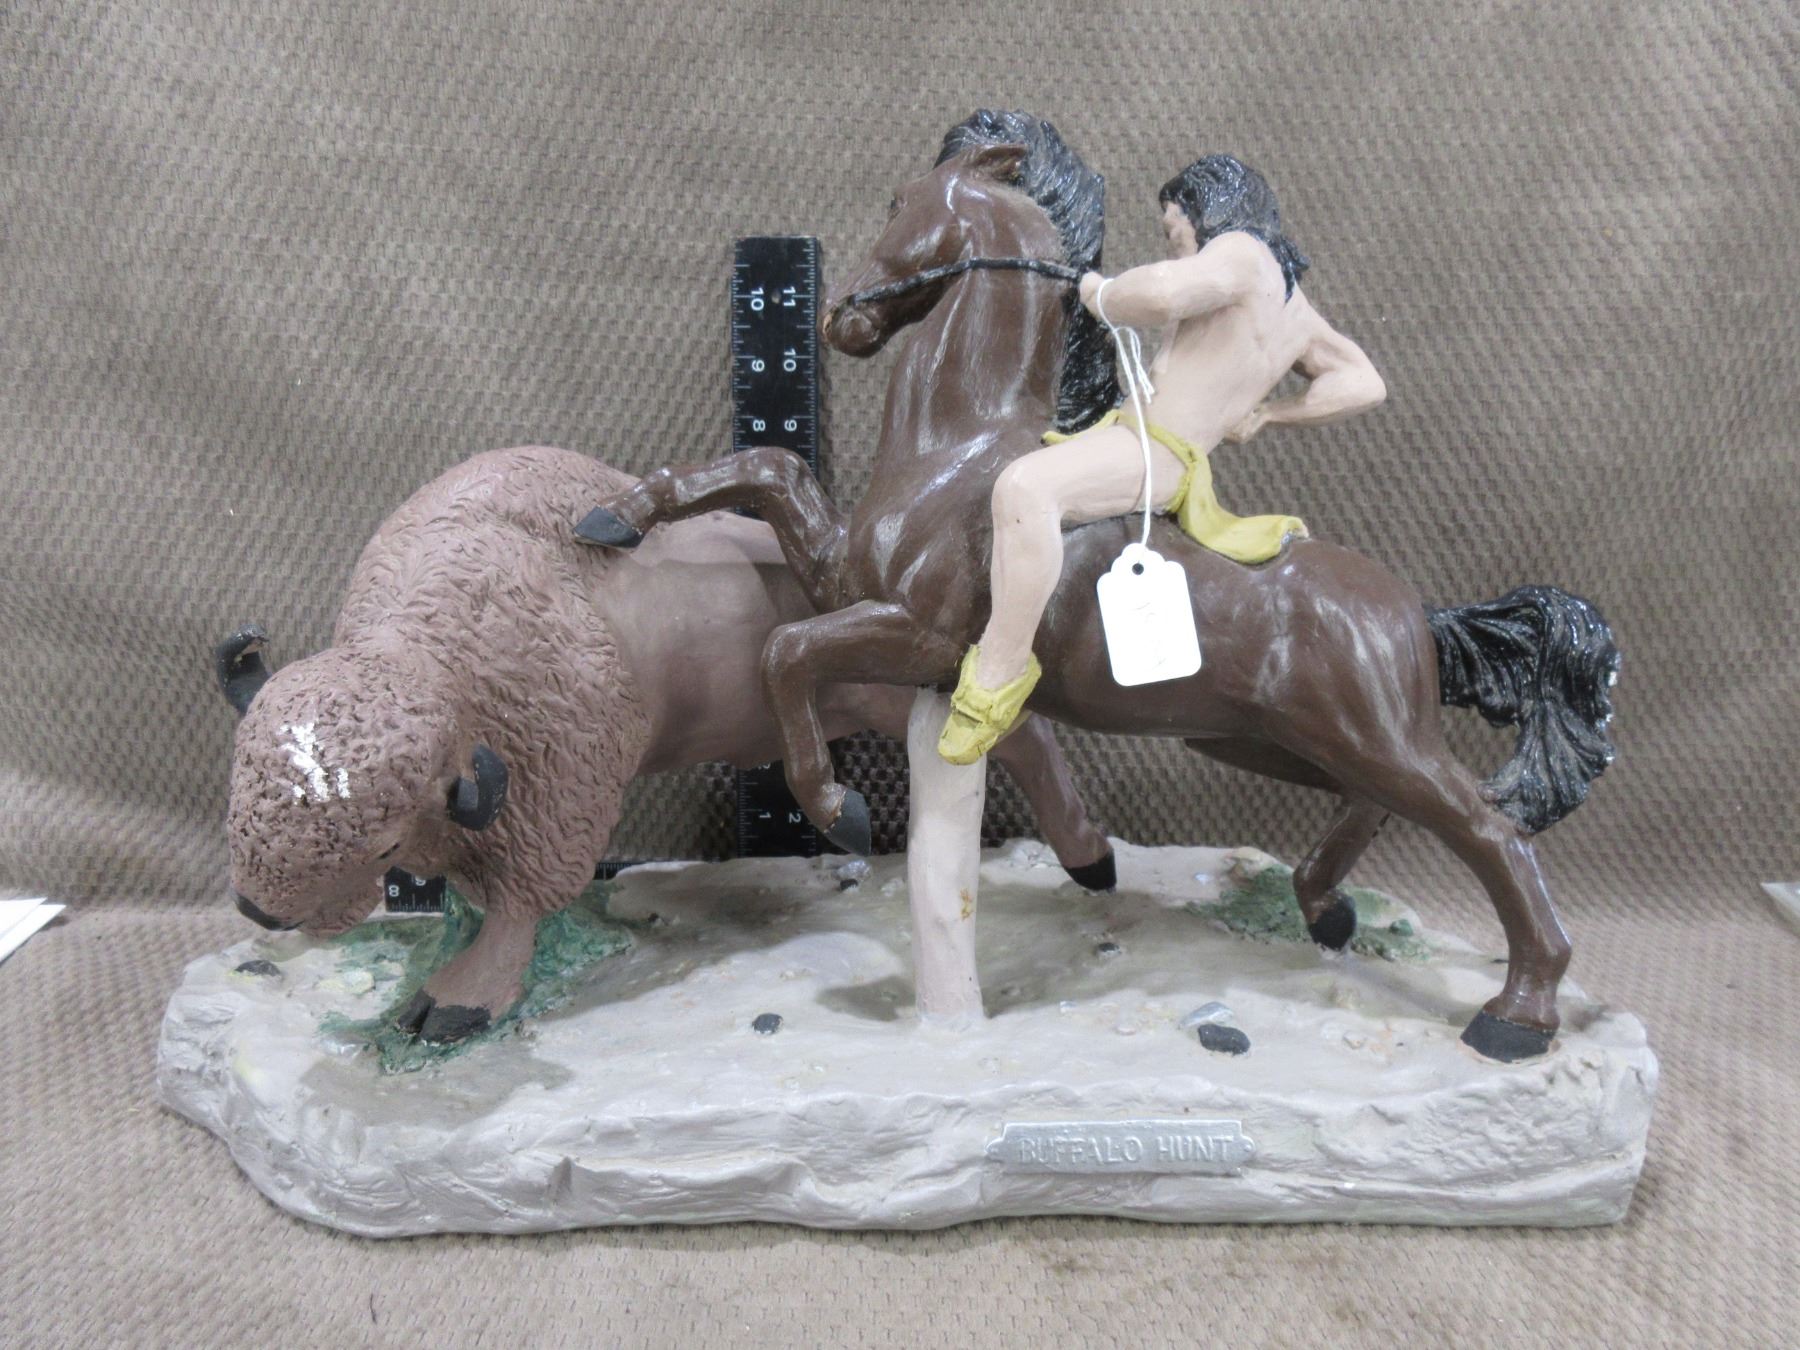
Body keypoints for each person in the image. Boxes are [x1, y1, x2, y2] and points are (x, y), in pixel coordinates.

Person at [934, 154, 1389, 764]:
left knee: (1024, 490)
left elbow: (1162, 292)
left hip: (1154, 452)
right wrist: (1269, 414)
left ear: (1206, 210)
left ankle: (1000, 674)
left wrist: (1101, 293)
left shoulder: (1241, 252)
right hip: (1141, 440)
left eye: (1173, 229)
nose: (1174, 244)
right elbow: (1362, 382)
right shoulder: (1294, 308)